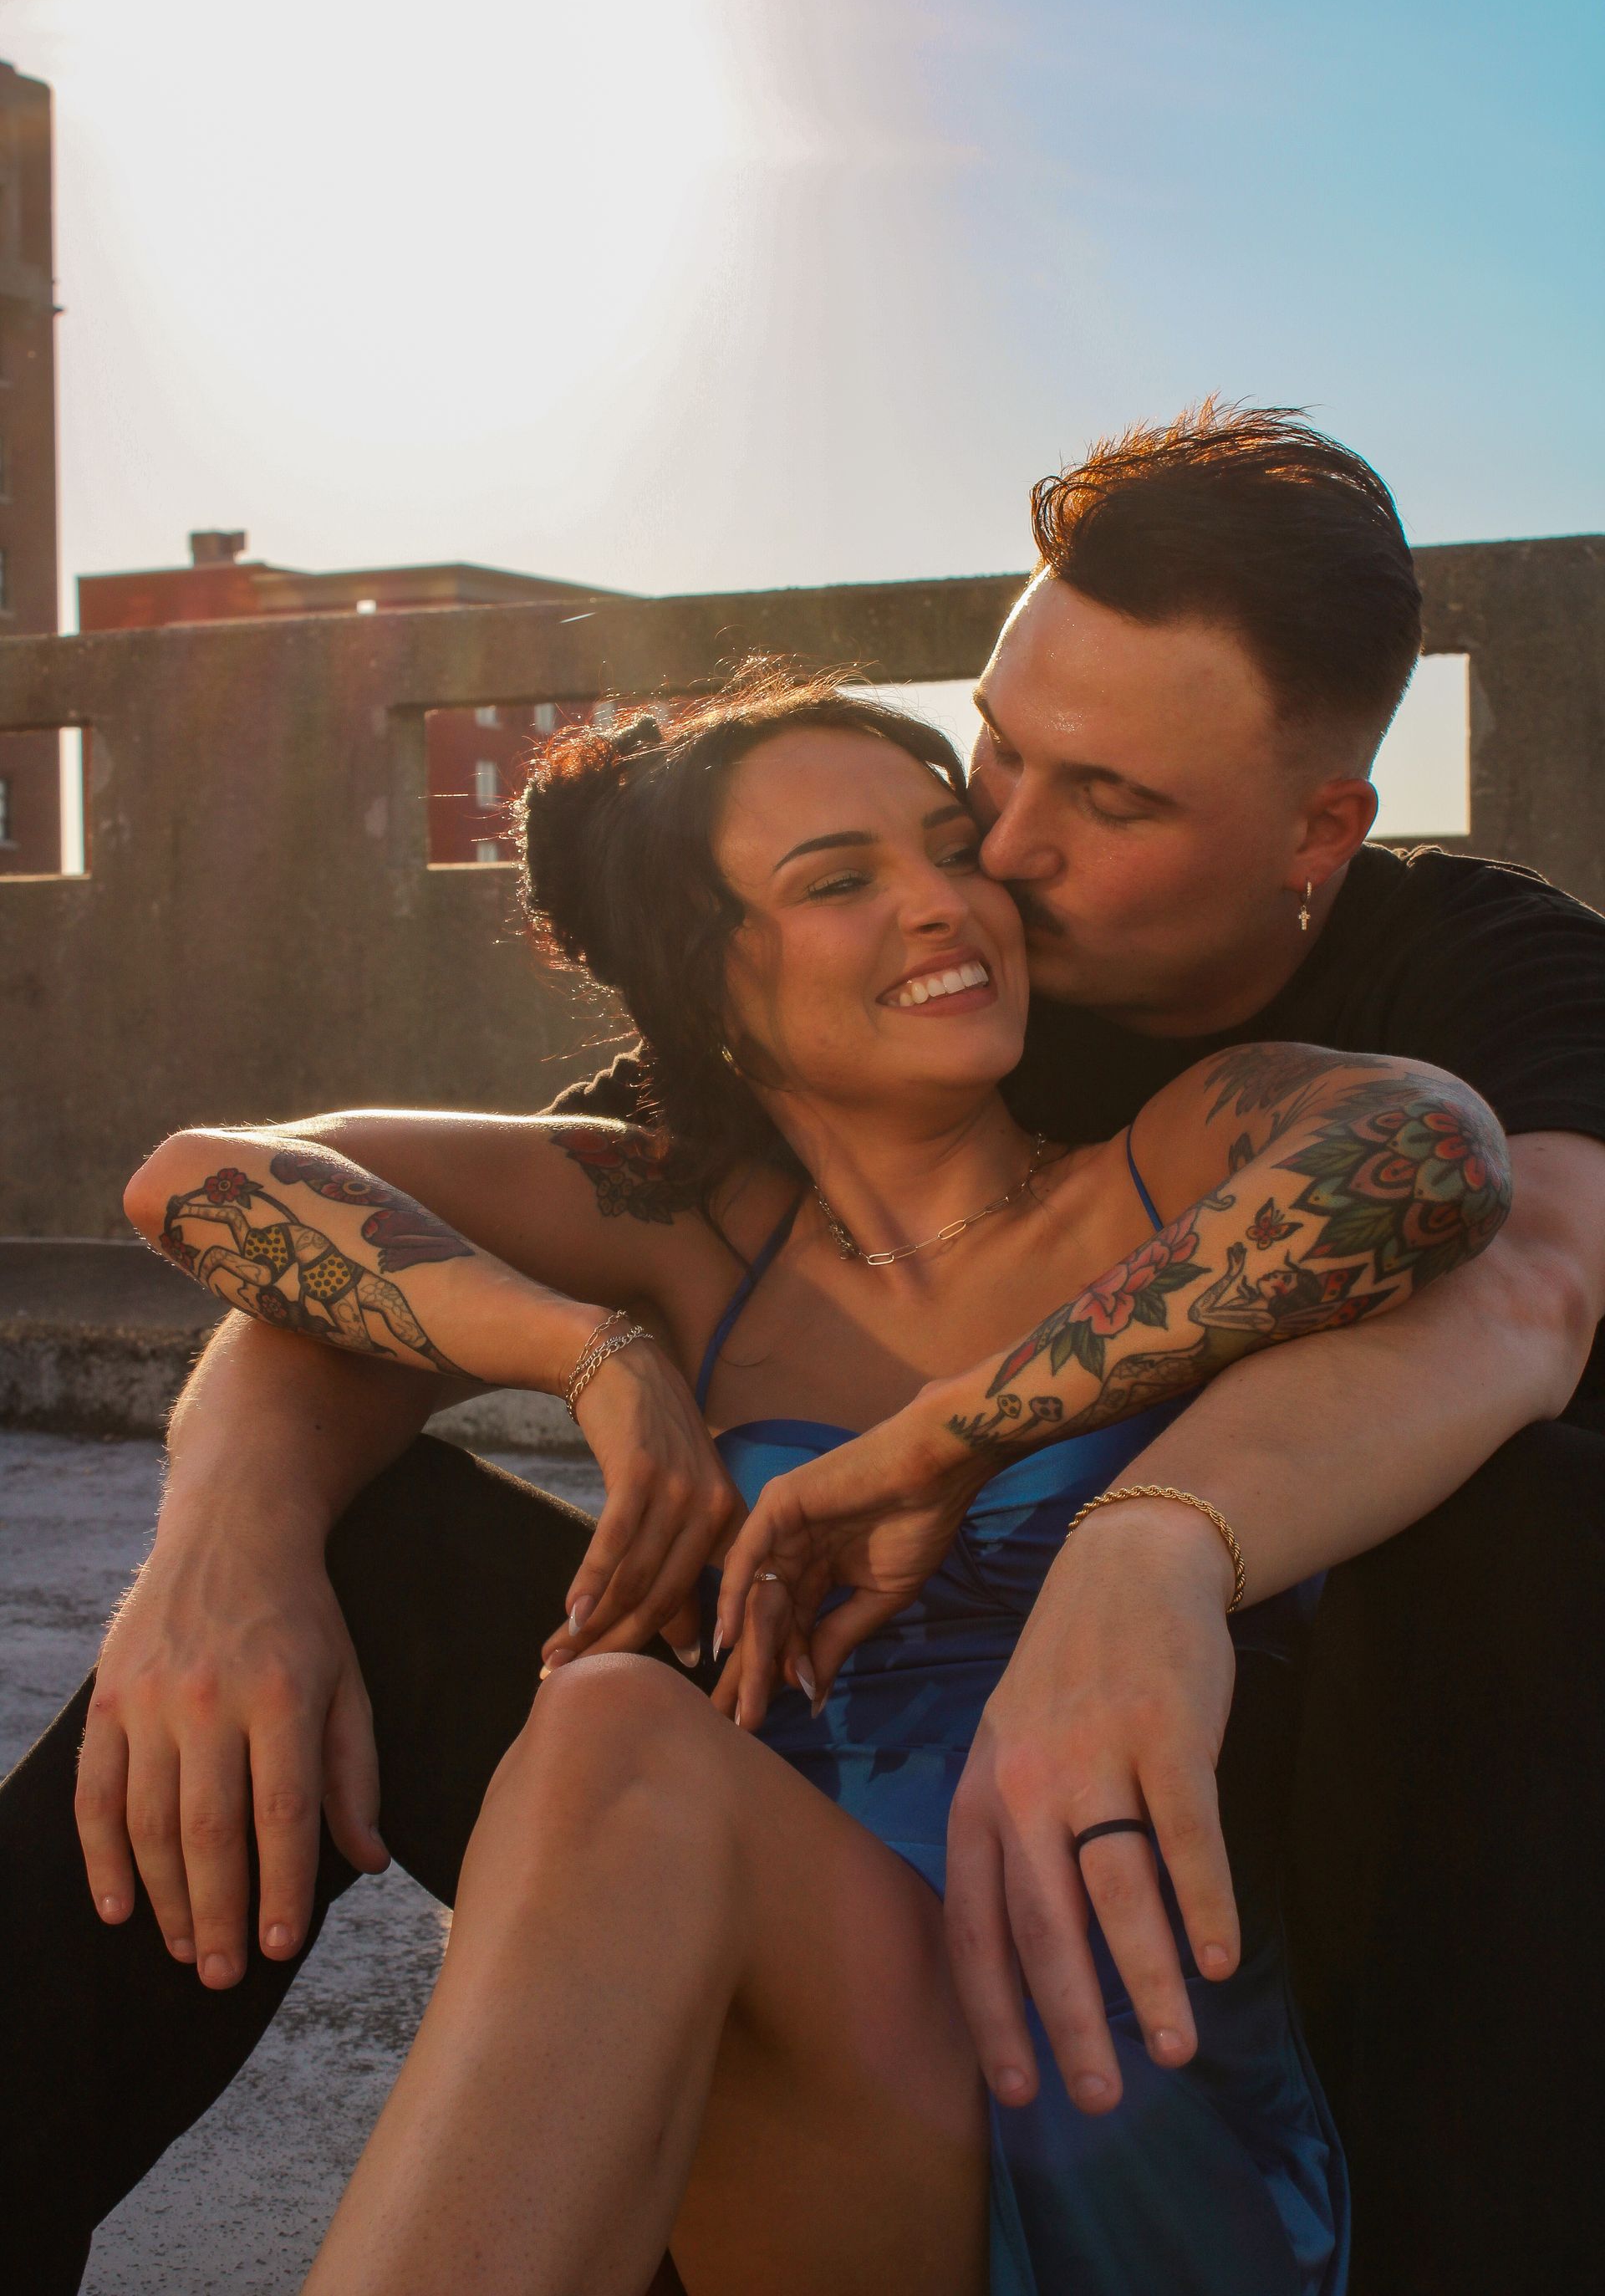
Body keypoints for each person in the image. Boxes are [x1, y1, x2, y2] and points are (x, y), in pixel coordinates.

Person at [2, 403, 1602, 2292]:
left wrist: (1092, 1504)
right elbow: (278, 1214)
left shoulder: (1400, 1010)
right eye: (994, 756)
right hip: (816, 1967)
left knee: (1535, 1508)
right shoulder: (734, 1157)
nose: (987, 861)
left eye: (1100, 802)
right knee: (500, 1661)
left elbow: (1495, 1257)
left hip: (1260, 1896)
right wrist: (237, 1544)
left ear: (1320, 827)